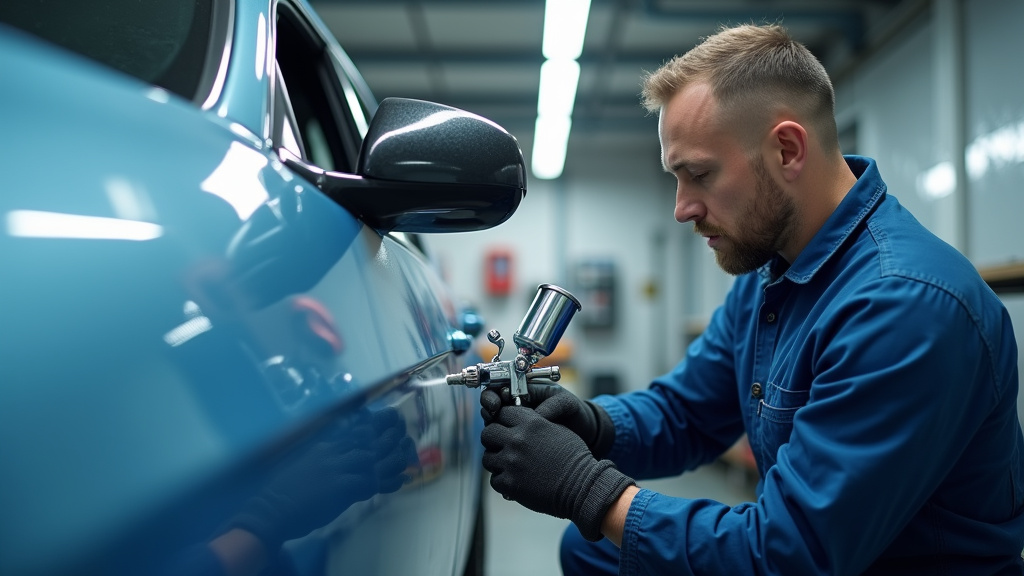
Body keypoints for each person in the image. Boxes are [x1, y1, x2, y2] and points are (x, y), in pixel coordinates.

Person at [479, 22, 1024, 575]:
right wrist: (593, 424)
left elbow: (789, 555)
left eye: (699, 174)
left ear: (787, 150)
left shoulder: (902, 307)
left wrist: (586, 487)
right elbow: (688, 411)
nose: (682, 208)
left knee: (606, 541)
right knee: (592, 551)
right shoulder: (771, 275)